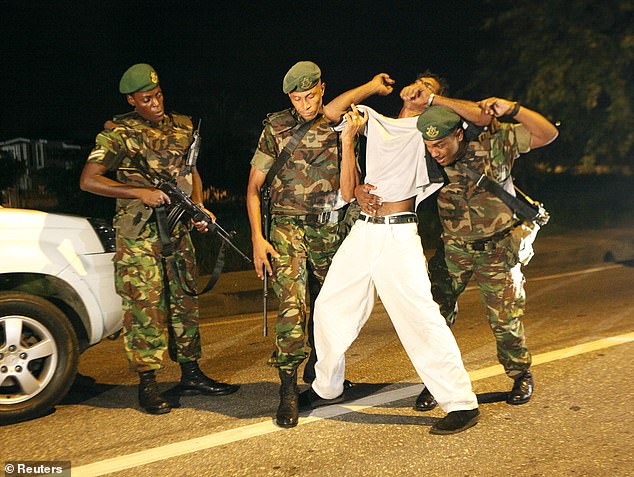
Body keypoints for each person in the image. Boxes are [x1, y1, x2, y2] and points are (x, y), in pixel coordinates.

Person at [300, 98, 482, 435]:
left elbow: (479, 117)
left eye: (423, 96)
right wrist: (350, 144)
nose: (416, 99)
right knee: (328, 306)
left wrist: (433, 101)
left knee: (420, 318)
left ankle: (461, 403)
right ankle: (327, 387)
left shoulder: (424, 133)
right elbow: (333, 114)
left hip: (399, 235)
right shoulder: (374, 121)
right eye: (412, 93)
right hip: (364, 231)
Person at [80, 63, 239, 415]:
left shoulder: (183, 126)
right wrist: (139, 192)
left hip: (178, 230)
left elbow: (192, 171)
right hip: (139, 237)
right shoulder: (118, 134)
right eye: (147, 99)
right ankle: (148, 383)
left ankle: (191, 373)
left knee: (185, 302)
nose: (156, 103)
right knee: (145, 310)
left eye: (159, 95)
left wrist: (198, 207)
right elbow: (89, 180)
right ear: (132, 100)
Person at [246, 61, 394, 428]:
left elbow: (344, 108)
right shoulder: (276, 128)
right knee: (293, 308)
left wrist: (373, 87)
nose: (304, 105)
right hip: (287, 229)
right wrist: (257, 239)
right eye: (297, 99)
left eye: (310, 96)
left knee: (330, 308)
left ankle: (324, 378)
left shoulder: (338, 123)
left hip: (329, 230)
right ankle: (287, 389)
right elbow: (252, 188)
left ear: (322, 89)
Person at [409, 100, 558, 410]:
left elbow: (547, 134)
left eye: (441, 144)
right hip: (454, 250)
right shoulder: (427, 160)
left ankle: (520, 374)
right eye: (429, 145)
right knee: (435, 316)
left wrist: (514, 110)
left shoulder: (496, 144)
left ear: (459, 135)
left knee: (505, 320)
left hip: (498, 248)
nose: (435, 151)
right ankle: (437, 382)